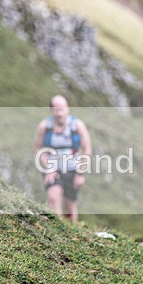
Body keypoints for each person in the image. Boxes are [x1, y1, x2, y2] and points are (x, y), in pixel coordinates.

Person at [33, 95, 91, 223]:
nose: (59, 113)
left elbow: (86, 149)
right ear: (51, 110)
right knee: (53, 198)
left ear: (68, 108)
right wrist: (48, 167)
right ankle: (58, 228)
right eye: (56, 109)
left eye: (62, 109)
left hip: (72, 169)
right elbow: (38, 149)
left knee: (70, 207)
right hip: (53, 169)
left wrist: (80, 173)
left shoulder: (77, 126)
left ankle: (73, 231)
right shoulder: (44, 126)